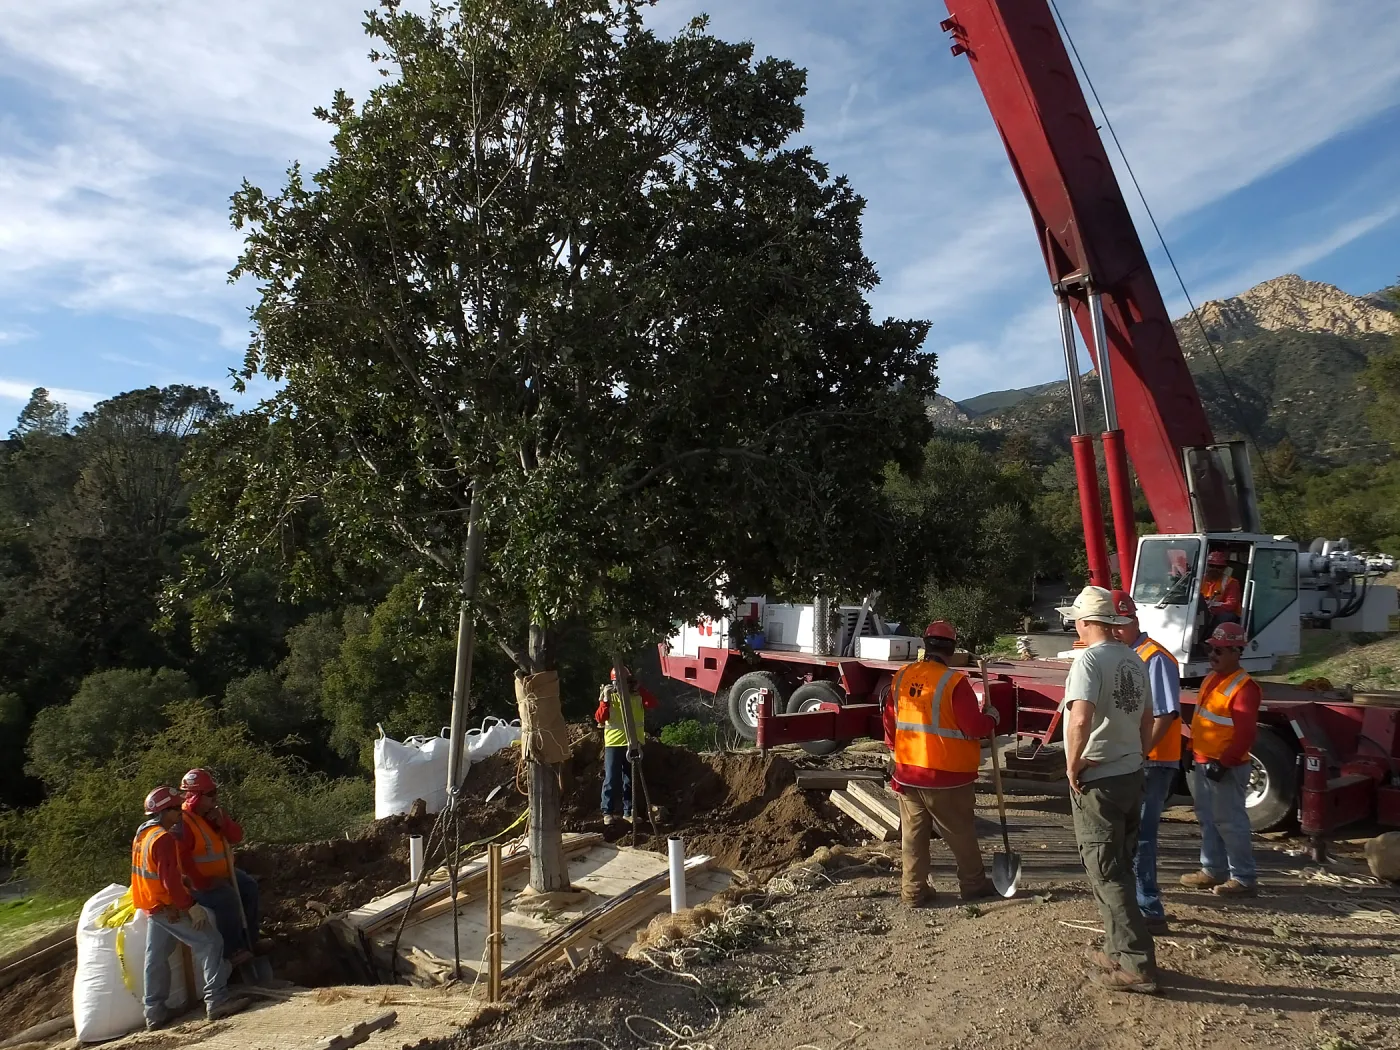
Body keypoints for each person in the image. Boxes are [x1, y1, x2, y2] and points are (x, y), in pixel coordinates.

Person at [1062, 586, 1158, 994]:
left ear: (1084, 622)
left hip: (1099, 779)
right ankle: (1116, 949)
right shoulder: (1135, 660)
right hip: (1131, 773)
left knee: (1107, 870)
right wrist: (1137, 756)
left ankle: (1136, 963)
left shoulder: (1088, 661)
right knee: (1118, 864)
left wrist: (1072, 764)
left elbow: (1079, 720)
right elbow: (1148, 718)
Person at [882, 620, 998, 906]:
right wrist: (992, 718)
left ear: (926, 645)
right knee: (960, 833)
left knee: (913, 837)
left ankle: (913, 891)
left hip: (908, 773)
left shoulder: (901, 677)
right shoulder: (954, 683)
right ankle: (973, 885)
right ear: (952, 648)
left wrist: (898, 753)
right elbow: (973, 727)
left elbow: (889, 723)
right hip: (948, 775)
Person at [130, 786, 245, 1028]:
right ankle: (217, 1000)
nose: (179, 815)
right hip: (168, 907)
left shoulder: (142, 835)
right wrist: (190, 905)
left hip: (152, 905)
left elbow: (152, 875)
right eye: (175, 810)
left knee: (156, 957)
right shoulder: (163, 839)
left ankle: (155, 1012)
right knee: (211, 942)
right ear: (164, 811)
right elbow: (169, 880)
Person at [1111, 590, 1181, 933]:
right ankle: (1139, 903)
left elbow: (1165, 714)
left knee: (1142, 836)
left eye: (1120, 624)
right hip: (1138, 759)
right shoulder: (1128, 656)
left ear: (1133, 621)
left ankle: (1150, 908)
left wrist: (1140, 753)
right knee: (1131, 834)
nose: (1115, 630)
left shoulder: (1154, 658)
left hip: (1153, 761)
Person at [1180, 622, 1261, 897]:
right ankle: (1212, 870)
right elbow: (1202, 719)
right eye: (1210, 648)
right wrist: (1190, 749)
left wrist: (1225, 762)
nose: (1213, 654)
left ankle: (1244, 878)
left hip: (1226, 766)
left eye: (1220, 650)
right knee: (1208, 819)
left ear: (1237, 652)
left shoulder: (1244, 688)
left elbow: (1246, 733)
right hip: (1204, 761)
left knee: (1230, 822)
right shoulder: (1211, 679)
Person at [178, 768, 260, 966]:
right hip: (197, 882)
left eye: (215, 793)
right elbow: (183, 862)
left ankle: (251, 939)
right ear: (195, 797)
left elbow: (236, 837)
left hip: (223, 873)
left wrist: (223, 823)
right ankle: (233, 950)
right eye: (210, 794)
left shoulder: (215, 813)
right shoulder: (183, 823)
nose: (215, 798)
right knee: (227, 898)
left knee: (249, 887)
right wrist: (203, 883)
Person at [595, 667, 659, 825]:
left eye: (627, 682)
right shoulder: (610, 697)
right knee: (611, 778)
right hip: (614, 744)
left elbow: (652, 703)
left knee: (630, 780)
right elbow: (599, 718)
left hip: (633, 743)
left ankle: (629, 812)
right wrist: (605, 700)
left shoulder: (637, 697)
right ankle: (607, 812)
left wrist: (640, 689)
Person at [1201, 550, 1242, 628]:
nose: (1215, 569)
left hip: (1225, 612)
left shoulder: (1231, 582)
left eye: (1219, 567)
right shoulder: (1199, 580)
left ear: (1224, 568)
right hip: (1204, 610)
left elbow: (1231, 605)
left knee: (1223, 618)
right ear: (1206, 566)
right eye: (1212, 565)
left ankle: (1211, 638)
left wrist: (1212, 608)